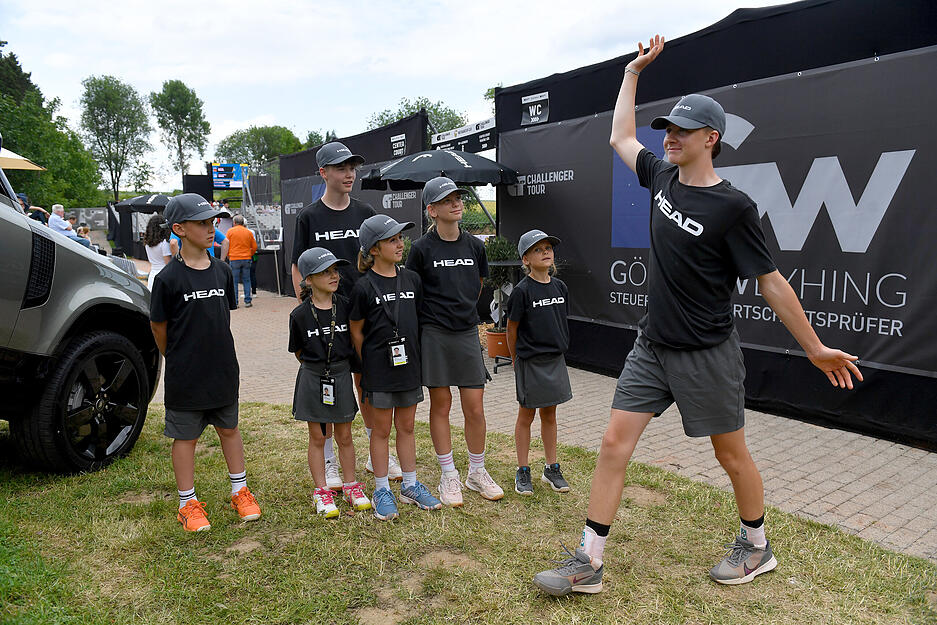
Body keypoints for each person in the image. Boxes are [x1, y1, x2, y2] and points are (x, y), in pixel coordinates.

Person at [532, 35, 862, 596]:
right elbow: (620, 136)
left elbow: (771, 282)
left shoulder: (733, 207)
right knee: (614, 443)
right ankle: (589, 560)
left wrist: (814, 348)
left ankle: (757, 547)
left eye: (682, 130)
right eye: (668, 129)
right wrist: (633, 72)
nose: (671, 137)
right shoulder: (659, 177)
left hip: (707, 352)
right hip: (651, 346)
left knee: (729, 452)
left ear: (711, 139)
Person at [290, 141, 400, 489]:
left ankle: (374, 450)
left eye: (352, 167)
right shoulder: (308, 216)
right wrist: (309, 309)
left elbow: (375, 263)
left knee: (365, 381)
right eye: (340, 167)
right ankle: (328, 462)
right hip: (325, 317)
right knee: (328, 379)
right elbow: (297, 266)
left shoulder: (365, 212)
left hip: (363, 312)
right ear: (323, 172)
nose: (349, 173)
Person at [149, 193, 262, 532]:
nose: (211, 228)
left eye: (213, 221)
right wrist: (178, 357)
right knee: (186, 438)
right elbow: (159, 326)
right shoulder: (167, 280)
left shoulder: (223, 271)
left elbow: (221, 318)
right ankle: (188, 504)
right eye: (201, 223)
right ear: (179, 229)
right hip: (186, 375)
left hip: (222, 370)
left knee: (229, 428)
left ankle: (240, 491)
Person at [405, 176, 503, 506]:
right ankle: (449, 475)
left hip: (466, 333)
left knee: (474, 406)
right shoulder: (420, 249)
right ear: (432, 210)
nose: (456, 203)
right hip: (433, 333)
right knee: (441, 405)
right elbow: (414, 293)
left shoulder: (475, 245)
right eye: (447, 200)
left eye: (458, 197)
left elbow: (476, 285)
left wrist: (462, 315)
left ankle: (476, 471)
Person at [349, 214, 442, 520]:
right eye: (392, 239)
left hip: (409, 369)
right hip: (378, 372)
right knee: (381, 431)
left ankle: (411, 485)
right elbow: (356, 330)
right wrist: (370, 364)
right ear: (373, 249)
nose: (400, 244)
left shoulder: (412, 279)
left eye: (400, 238)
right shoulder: (363, 287)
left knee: (407, 427)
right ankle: (381, 489)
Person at [290, 247, 371, 518]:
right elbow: (299, 352)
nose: (334, 276)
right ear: (308, 280)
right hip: (314, 378)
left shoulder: (346, 306)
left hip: (341, 375)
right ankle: (322, 492)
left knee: (345, 435)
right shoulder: (299, 315)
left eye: (334, 270)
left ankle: (351, 485)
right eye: (325, 272)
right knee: (318, 436)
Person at [506, 230, 573, 497]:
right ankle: (523, 470)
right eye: (538, 249)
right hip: (530, 362)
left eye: (548, 248)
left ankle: (551, 468)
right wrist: (515, 359)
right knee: (526, 415)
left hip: (555, 360)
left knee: (550, 414)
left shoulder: (561, 288)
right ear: (525, 260)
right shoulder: (522, 292)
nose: (546, 252)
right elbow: (512, 329)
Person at [226, 215, 258, 308]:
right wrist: (250, 254)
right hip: (246, 258)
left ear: (234, 222)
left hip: (234, 258)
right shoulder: (248, 232)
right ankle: (248, 301)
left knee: (234, 281)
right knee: (247, 280)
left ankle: (235, 302)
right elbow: (254, 246)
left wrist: (229, 255)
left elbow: (226, 244)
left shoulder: (230, 232)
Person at [143, 213, 172, 291]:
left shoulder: (147, 243)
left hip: (152, 274)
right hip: (163, 276)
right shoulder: (164, 244)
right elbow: (168, 264)